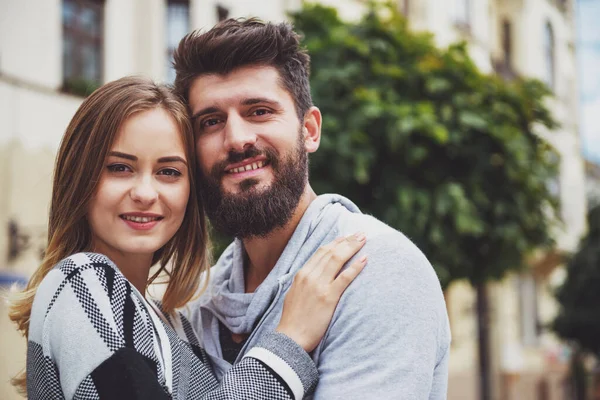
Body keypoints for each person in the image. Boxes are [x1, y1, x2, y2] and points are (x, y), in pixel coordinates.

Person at [7, 76, 368, 399]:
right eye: (119, 168)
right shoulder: (81, 280)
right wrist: (288, 342)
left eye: (168, 171)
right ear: (79, 179)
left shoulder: (177, 324)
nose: (146, 193)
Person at [173, 18, 452, 399]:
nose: (237, 139)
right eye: (211, 121)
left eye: (259, 111)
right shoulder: (197, 307)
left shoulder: (375, 269)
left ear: (310, 131)